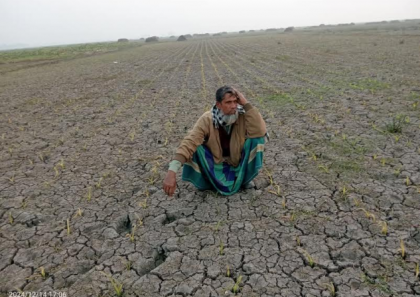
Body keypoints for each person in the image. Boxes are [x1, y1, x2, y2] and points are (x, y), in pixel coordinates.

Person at [163, 86, 267, 196]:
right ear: (218, 104)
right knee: (196, 148)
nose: (233, 106)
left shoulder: (242, 115)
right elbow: (190, 141)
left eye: (235, 101)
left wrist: (245, 103)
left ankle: (244, 179)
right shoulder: (207, 119)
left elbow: (260, 131)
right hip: (216, 165)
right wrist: (172, 171)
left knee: (256, 140)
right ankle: (207, 182)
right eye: (228, 102)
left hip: (237, 163)